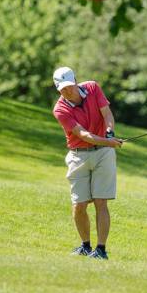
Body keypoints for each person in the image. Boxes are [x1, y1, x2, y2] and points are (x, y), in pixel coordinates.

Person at [52, 66, 123, 260]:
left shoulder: (92, 88)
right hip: (78, 156)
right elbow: (83, 135)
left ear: (75, 80)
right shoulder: (60, 109)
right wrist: (108, 142)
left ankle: (100, 250)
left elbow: (107, 113)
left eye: (69, 86)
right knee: (79, 205)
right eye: (62, 89)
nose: (67, 91)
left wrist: (109, 132)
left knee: (101, 202)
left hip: (103, 154)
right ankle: (85, 246)